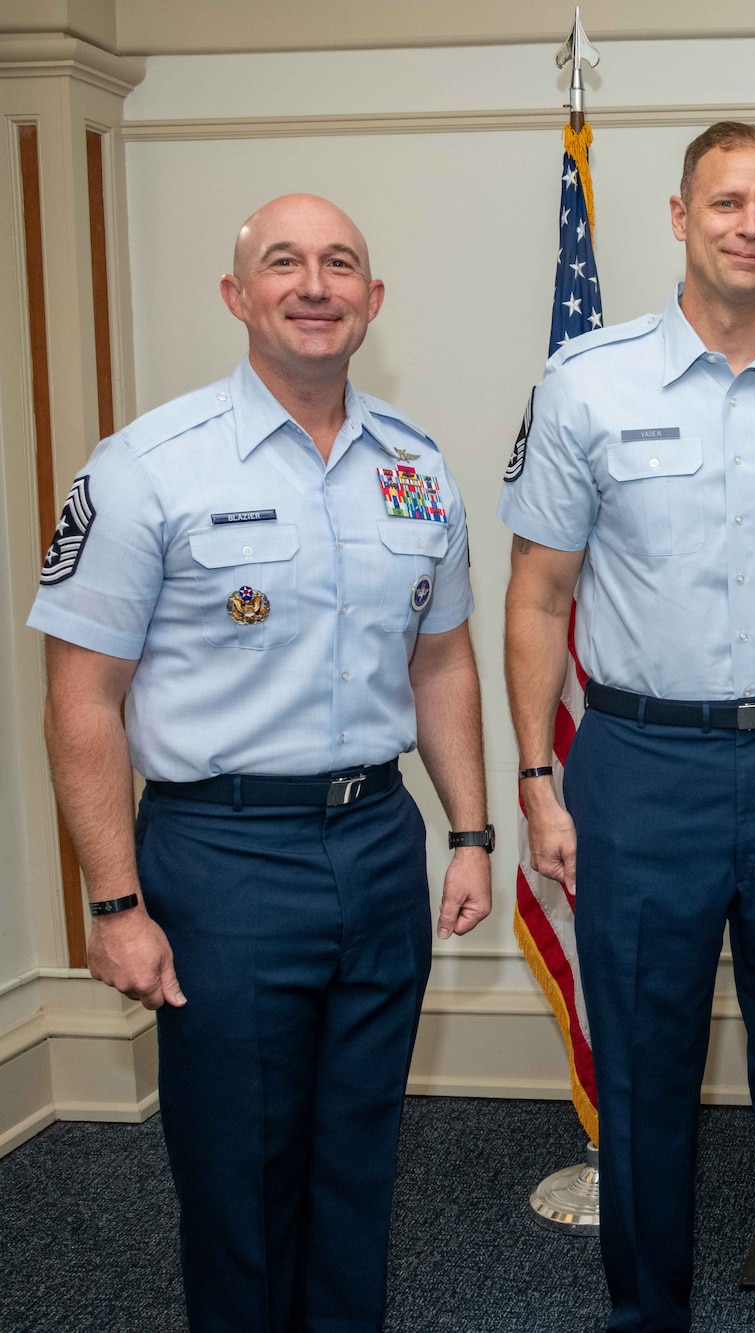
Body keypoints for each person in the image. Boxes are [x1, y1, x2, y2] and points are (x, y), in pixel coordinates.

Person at [30, 193, 491, 1331]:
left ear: (372, 303)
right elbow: (80, 698)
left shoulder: (417, 468)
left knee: (357, 1156)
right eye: (284, 263)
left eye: (340, 264)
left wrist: (471, 832)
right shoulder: (146, 466)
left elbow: (442, 664)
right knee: (238, 1172)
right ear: (238, 296)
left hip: (378, 842)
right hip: (221, 856)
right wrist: (113, 899)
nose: (314, 284)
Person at [499, 121, 755, 1333]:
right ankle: (647, 1314)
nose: (749, 225)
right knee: (642, 1075)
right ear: (678, 216)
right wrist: (536, 775)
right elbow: (536, 593)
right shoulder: (589, 381)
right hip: (640, 763)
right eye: (725, 202)